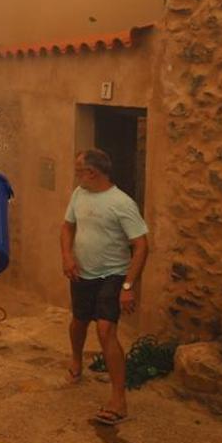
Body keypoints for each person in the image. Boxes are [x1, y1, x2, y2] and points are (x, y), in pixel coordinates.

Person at [61, 148, 150, 426]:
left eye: (79, 171)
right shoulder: (79, 194)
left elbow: (141, 245)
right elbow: (67, 227)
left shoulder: (121, 203)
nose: (77, 175)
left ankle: (118, 399)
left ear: (92, 173)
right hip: (83, 273)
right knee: (78, 322)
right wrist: (67, 256)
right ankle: (76, 361)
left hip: (112, 275)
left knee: (105, 330)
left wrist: (127, 286)